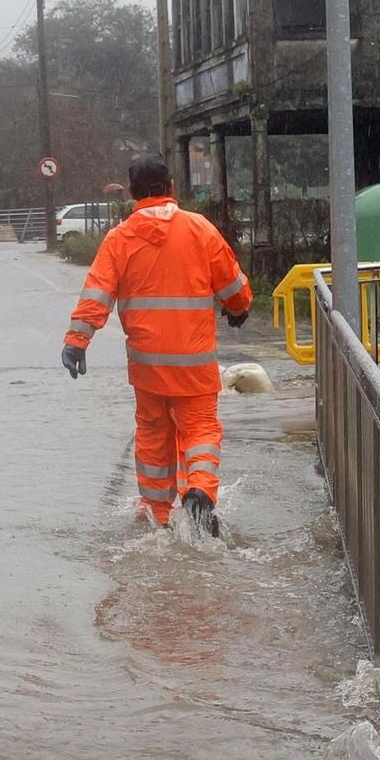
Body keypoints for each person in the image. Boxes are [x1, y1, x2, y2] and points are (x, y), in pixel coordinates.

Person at [60, 156, 252, 534]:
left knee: (152, 433)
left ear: (132, 193)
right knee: (200, 429)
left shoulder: (120, 238)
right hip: (194, 361)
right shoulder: (199, 228)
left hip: (147, 364)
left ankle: (157, 512)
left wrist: (77, 341)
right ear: (172, 186)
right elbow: (230, 282)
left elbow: (97, 294)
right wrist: (239, 306)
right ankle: (199, 489)